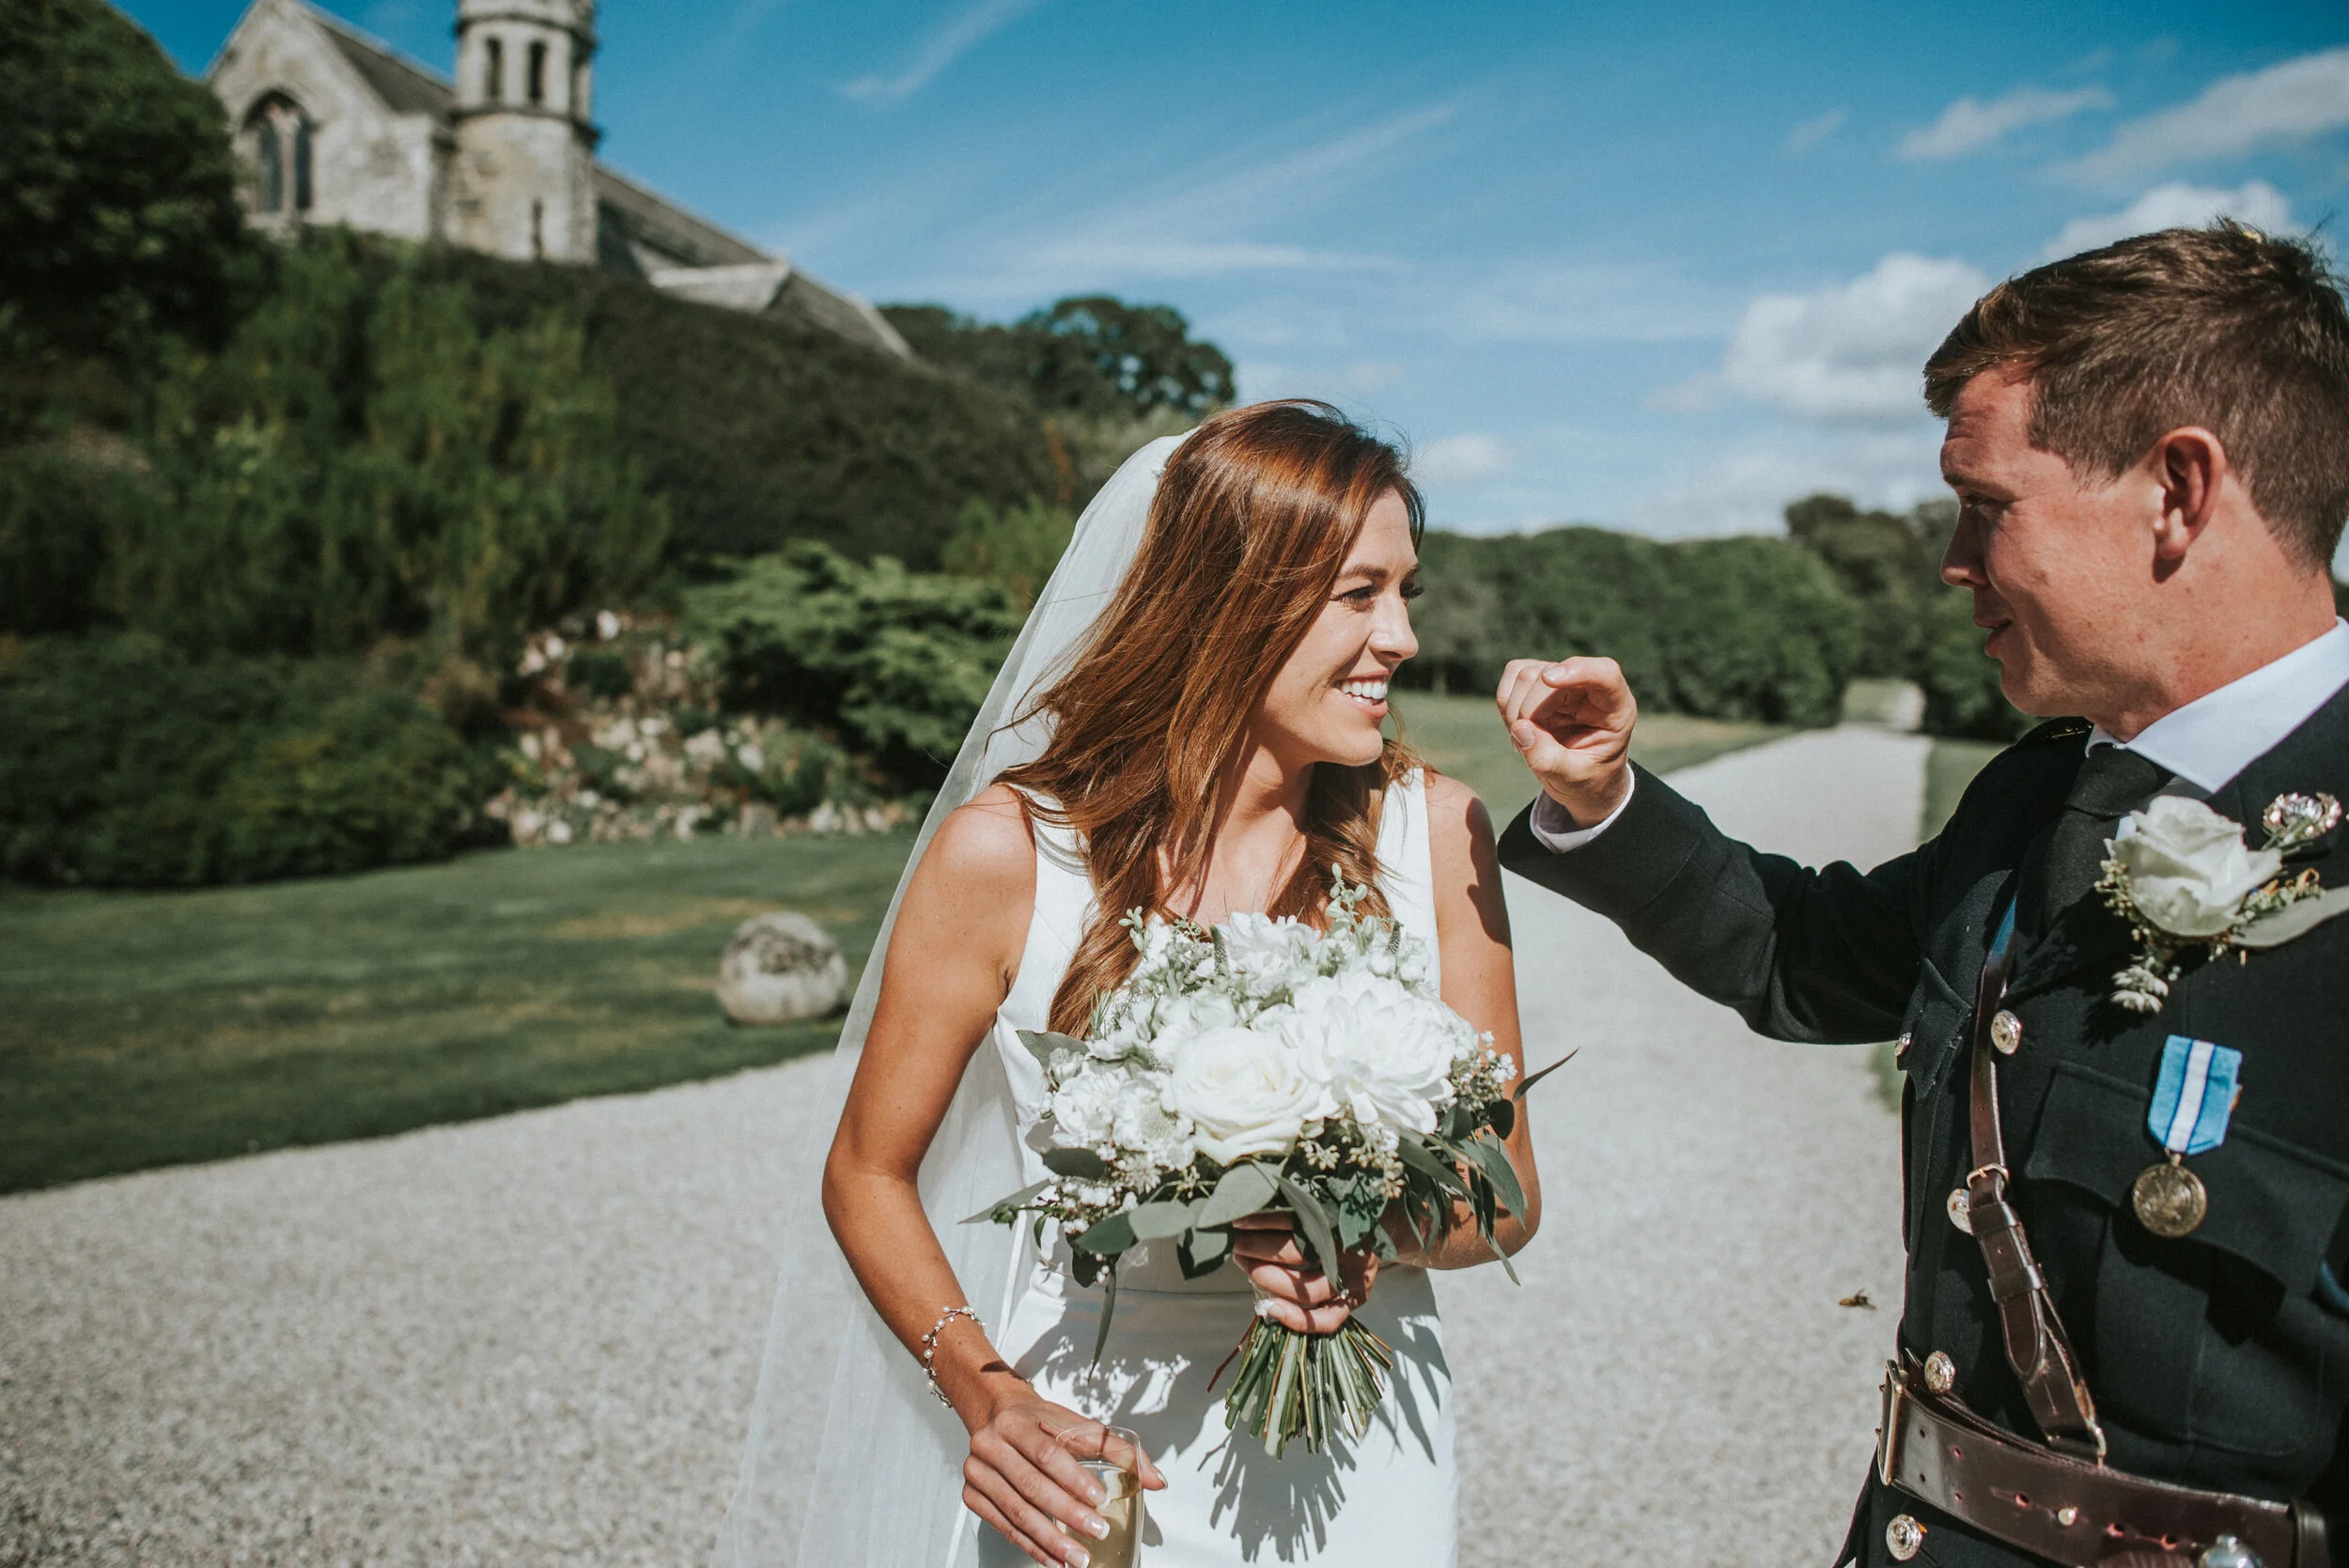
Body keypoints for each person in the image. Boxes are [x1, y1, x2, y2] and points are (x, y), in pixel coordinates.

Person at [1496, 223, 2349, 1568]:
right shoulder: (2033, 795)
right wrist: (1605, 803)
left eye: (1989, 504)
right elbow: (1805, 954)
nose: (1953, 560)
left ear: (2178, 491)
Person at [712, 401, 1539, 1568]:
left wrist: (1364, 1230)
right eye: (1359, 594)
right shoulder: (1006, 857)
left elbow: (1506, 1200)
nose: (1400, 636)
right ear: (1231, 598)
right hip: (1090, 1451)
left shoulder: (1440, 835)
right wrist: (985, 1389)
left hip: (1364, 1451)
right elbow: (866, 1169)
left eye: (1408, 591)